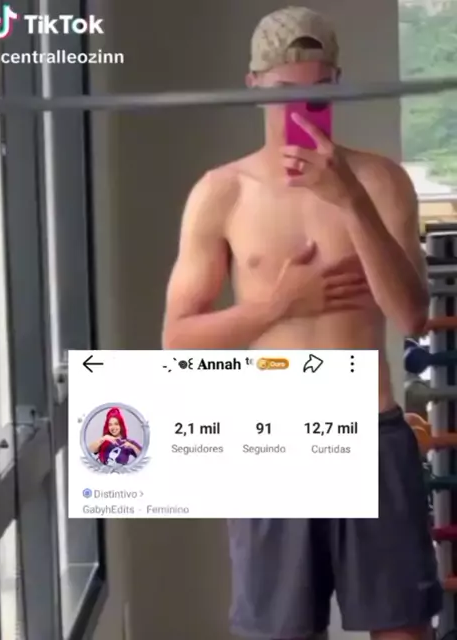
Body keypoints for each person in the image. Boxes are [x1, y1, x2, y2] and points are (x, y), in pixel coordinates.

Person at [162, 5, 442, 640]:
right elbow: (178, 339)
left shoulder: (380, 181)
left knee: (403, 630)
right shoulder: (222, 192)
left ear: (338, 83)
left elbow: (410, 314)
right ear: (254, 85)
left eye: (319, 91)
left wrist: (349, 200)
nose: (303, 107)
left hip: (370, 430)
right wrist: (281, 305)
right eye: (287, 90)